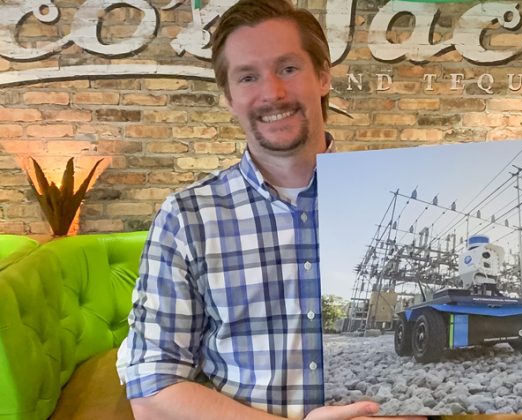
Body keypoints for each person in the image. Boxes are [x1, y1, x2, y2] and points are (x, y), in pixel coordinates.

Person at [117, 1, 425, 419]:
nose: (272, 93)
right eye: (248, 77)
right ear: (229, 98)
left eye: (288, 69)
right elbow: (151, 384)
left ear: (322, 75)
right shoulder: (188, 217)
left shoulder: (390, 196)